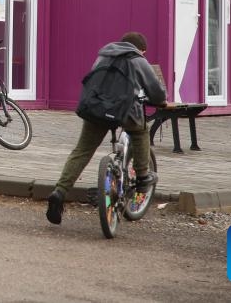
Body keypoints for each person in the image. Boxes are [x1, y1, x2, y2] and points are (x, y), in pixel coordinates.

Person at [46, 31, 167, 225]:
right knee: (140, 131)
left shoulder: (103, 55)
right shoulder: (138, 59)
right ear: (141, 50)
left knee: (82, 150)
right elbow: (157, 93)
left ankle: (59, 191)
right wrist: (159, 100)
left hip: (96, 110)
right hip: (126, 112)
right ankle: (143, 175)